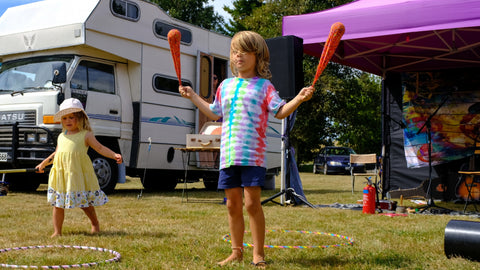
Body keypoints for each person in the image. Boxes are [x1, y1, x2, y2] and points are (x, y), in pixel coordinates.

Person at [179, 31, 314, 267]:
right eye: (234, 51)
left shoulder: (264, 86)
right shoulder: (226, 85)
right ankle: (236, 251)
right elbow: (214, 112)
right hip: (229, 155)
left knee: (252, 204)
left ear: (258, 56)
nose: (238, 55)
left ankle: (258, 254)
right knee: (232, 204)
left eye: (244, 51)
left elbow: (280, 111)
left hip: (253, 155)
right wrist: (192, 96)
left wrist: (299, 99)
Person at [36, 98, 122, 237]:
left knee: (84, 203)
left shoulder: (86, 135)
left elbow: (100, 148)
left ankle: (95, 223)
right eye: (64, 118)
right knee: (58, 204)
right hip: (62, 176)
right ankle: (57, 232)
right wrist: (44, 163)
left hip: (76, 175)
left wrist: (113, 155)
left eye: (72, 117)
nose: (68, 121)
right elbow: (56, 154)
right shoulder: (61, 136)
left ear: (80, 118)